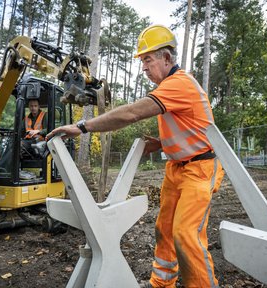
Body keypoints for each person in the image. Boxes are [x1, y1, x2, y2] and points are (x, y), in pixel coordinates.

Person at [46, 24, 224, 288]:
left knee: (185, 234)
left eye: (148, 60)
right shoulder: (170, 86)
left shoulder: (179, 83)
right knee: (164, 230)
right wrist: (162, 143)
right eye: (142, 61)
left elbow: (131, 114)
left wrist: (81, 127)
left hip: (200, 169)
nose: (144, 67)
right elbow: (192, 128)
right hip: (177, 168)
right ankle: (161, 283)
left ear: (167, 58)